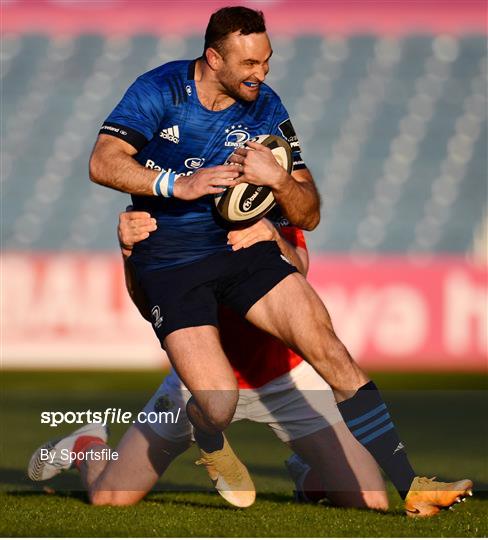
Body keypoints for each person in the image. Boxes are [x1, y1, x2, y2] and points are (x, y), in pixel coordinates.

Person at [87, 6, 472, 516]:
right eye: (249, 64)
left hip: (237, 256)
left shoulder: (266, 107)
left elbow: (308, 214)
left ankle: (411, 483)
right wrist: (175, 186)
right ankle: (91, 446)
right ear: (213, 58)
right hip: (174, 260)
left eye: (267, 62)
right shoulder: (159, 89)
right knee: (171, 442)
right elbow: (102, 161)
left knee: (331, 350)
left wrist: (279, 179)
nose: (261, 74)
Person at [28, 213, 388, 512]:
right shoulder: (163, 214)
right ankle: (86, 446)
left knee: (372, 502)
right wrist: (127, 252)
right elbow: (148, 306)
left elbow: (300, 272)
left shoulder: (262, 197)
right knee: (110, 498)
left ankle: (311, 475)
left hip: (286, 377)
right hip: (197, 382)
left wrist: (272, 236)